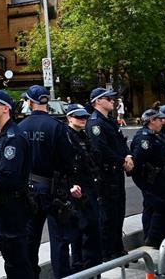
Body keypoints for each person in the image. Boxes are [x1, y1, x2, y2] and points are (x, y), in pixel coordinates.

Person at [18, 85, 79, 278]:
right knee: (59, 240)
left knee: (30, 239)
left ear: (30, 102)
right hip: (54, 189)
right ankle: (61, 274)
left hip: (29, 189)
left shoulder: (21, 127)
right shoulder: (57, 127)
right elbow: (69, 161)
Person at [0, 90, 33, 279]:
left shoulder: (13, 137)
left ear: (5, 108)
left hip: (11, 209)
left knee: (17, 262)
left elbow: (7, 174)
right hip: (0, 208)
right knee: (11, 259)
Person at [86, 87, 133, 260]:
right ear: (98, 101)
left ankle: (118, 248)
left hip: (116, 172)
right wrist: (121, 161)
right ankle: (108, 252)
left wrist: (128, 156)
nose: (112, 101)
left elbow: (121, 141)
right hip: (105, 174)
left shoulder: (110, 121)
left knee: (119, 211)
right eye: (108, 99)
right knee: (108, 215)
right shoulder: (95, 123)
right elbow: (101, 149)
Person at [130, 109, 165, 247]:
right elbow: (137, 163)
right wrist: (144, 183)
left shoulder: (156, 135)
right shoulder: (144, 138)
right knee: (157, 207)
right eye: (159, 119)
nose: (162, 122)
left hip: (162, 175)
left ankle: (162, 236)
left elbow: (164, 150)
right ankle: (153, 238)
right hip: (151, 178)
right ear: (151, 121)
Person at [63, 104, 102, 273]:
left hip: (89, 185)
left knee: (92, 228)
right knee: (81, 230)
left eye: (85, 117)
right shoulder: (66, 137)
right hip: (77, 188)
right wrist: (70, 185)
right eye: (78, 117)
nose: (83, 119)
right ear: (69, 118)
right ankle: (82, 267)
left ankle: (92, 267)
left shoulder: (83, 135)